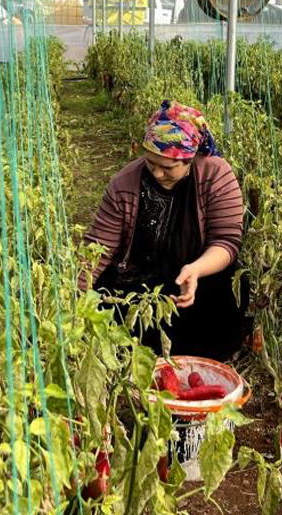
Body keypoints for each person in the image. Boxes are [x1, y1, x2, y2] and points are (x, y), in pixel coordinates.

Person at [81, 100, 249, 362]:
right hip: (141, 282)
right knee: (109, 301)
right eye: (150, 163)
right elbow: (97, 250)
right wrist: (73, 296)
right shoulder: (124, 184)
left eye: (168, 167)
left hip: (197, 281)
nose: (157, 173)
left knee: (233, 281)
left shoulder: (215, 175)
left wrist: (196, 269)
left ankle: (207, 354)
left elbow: (226, 240)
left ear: (189, 159)